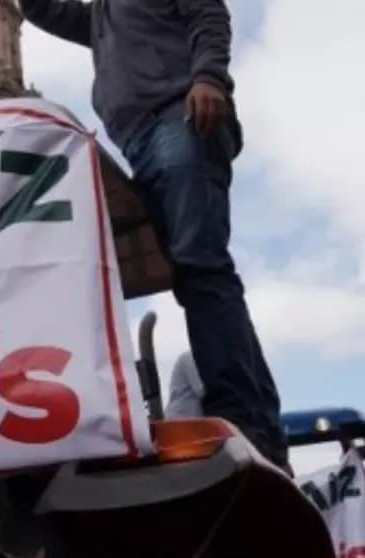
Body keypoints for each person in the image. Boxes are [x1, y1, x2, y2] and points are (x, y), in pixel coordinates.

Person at [17, 0, 289, 471]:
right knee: (198, 275)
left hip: (178, 118)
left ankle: (243, 420)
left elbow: (209, 14)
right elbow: (41, 10)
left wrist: (209, 78)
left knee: (201, 271)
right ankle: (261, 429)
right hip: (142, 142)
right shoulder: (101, 18)